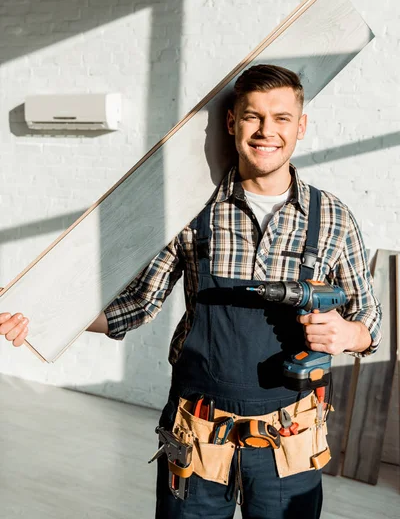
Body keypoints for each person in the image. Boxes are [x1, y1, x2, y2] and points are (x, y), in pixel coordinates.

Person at [0, 65, 381, 519]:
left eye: (281, 118)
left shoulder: (333, 218)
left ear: (300, 126)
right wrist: (44, 315)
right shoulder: (192, 213)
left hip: (290, 440)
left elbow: (370, 320)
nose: (266, 131)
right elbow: (137, 306)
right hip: (198, 435)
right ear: (232, 122)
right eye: (252, 116)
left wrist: (348, 335)